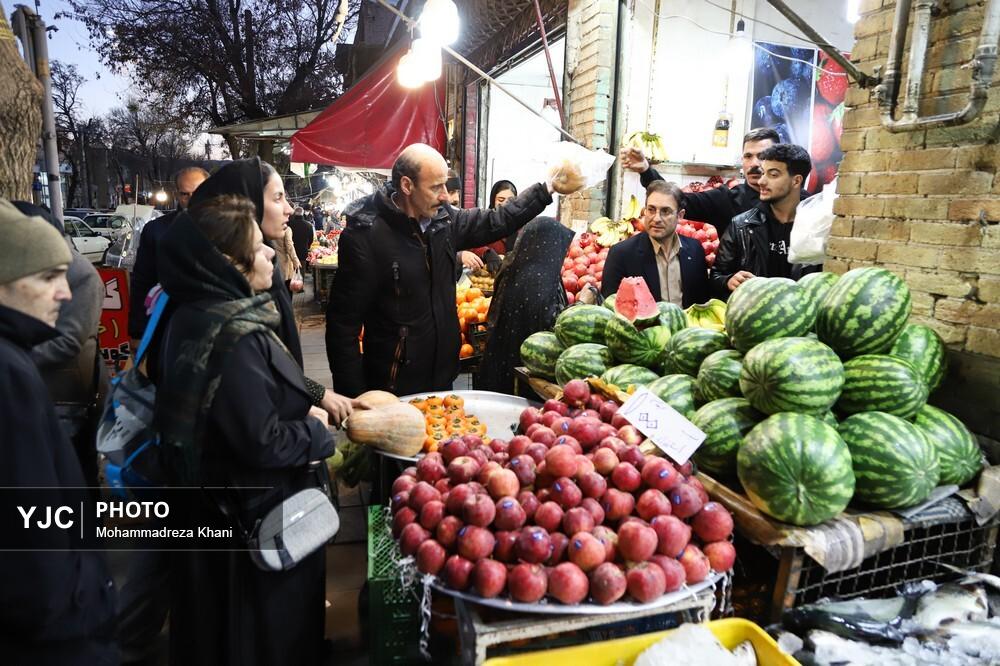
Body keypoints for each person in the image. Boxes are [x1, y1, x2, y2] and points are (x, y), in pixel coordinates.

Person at [152, 194, 333, 666]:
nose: (272, 252)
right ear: (229, 262)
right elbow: (261, 440)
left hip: (215, 514)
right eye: (259, 246)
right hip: (248, 524)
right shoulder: (231, 336)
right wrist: (317, 431)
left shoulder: (197, 311)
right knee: (257, 635)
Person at [326, 143, 576, 398]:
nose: (446, 195)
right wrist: (352, 399)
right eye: (436, 187)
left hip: (442, 377)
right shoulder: (366, 237)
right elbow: (342, 326)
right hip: (393, 385)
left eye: (445, 185)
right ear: (407, 186)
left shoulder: (444, 220)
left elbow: (496, 220)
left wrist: (546, 189)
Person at [0, 199, 118, 665]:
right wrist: (78, 611)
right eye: (47, 278)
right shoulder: (9, 375)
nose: (64, 292)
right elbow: (33, 537)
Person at [186, 158, 357, 424]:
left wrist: (312, 395)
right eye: (277, 198)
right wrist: (308, 426)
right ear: (246, 204)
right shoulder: (220, 299)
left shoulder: (262, 266)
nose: (289, 209)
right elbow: (247, 407)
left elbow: (272, 363)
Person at [12, 201, 106, 492]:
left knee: (73, 477)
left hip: (70, 396)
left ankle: (84, 530)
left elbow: (67, 341)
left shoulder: (80, 273)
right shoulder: (26, 265)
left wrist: (14, 361)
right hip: (38, 389)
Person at [620, 128, 783, 239]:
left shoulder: (798, 202)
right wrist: (646, 171)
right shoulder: (726, 198)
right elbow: (677, 199)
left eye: (762, 156)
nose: (754, 163)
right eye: (748, 156)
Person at [477, 216, 574, 395]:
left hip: (499, 369)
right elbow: (556, 327)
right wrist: (583, 303)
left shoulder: (513, 267)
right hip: (526, 379)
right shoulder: (540, 280)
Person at [710, 143, 821, 297]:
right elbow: (716, 275)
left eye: (773, 174)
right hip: (754, 315)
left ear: (796, 181)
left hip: (803, 317)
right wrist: (728, 280)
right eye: (763, 173)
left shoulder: (819, 228)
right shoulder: (741, 225)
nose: (762, 181)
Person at [129, 166, 209, 343]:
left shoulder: (229, 228)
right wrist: (137, 331)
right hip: (168, 326)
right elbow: (142, 282)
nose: (192, 199)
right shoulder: (156, 230)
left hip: (215, 327)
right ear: (177, 194)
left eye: (198, 192)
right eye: (185, 194)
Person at [601, 181, 710, 307]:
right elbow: (611, 307)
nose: (656, 218)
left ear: (680, 216)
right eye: (651, 210)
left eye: (665, 211)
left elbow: (702, 304)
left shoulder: (695, 250)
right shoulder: (622, 254)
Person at [274, 224, 302, 295]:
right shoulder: (286, 229)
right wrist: (296, 261)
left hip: (274, 260)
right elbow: (289, 246)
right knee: (287, 288)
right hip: (284, 261)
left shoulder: (269, 228)